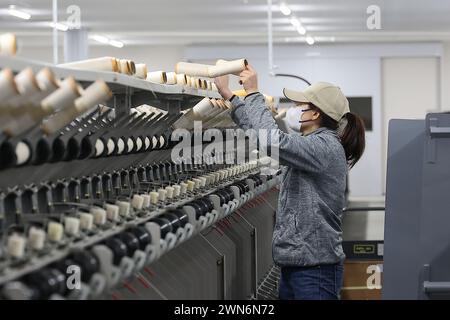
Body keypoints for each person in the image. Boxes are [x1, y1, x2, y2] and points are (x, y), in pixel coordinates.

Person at [214, 64, 366, 300]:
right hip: (297, 264)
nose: (295, 110)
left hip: (315, 270)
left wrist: (253, 93)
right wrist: (232, 98)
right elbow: (261, 136)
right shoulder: (315, 143)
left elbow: (272, 142)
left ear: (315, 114)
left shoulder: (324, 147)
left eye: (300, 106)